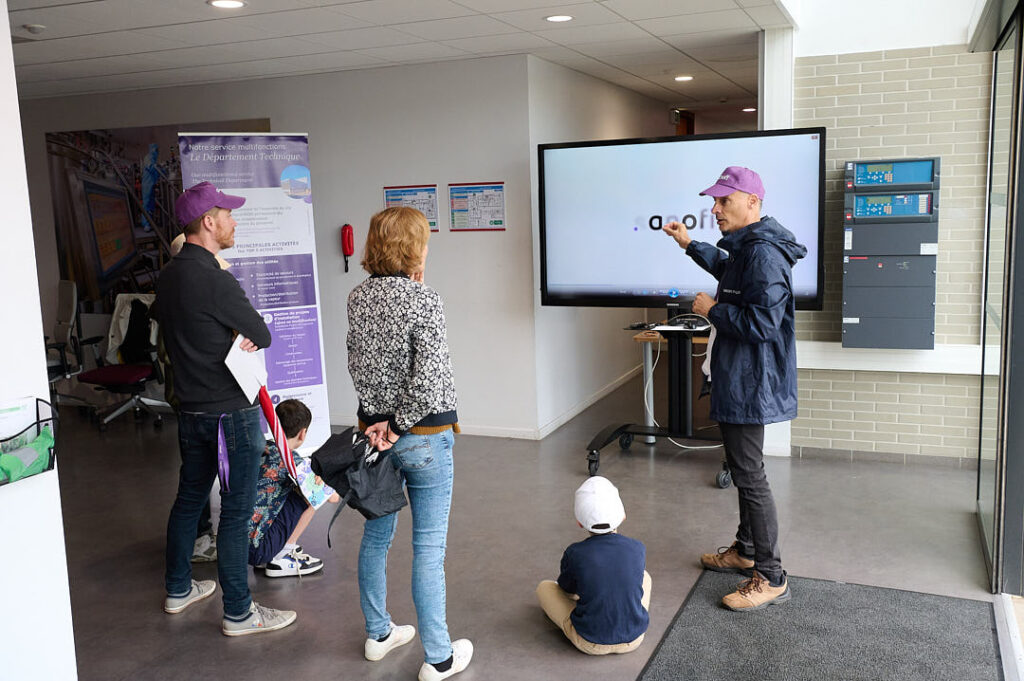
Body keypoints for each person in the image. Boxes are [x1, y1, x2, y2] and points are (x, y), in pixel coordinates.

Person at [663, 166, 806, 612]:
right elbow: (728, 268)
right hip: (740, 377)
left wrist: (714, 310)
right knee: (744, 468)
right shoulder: (749, 249)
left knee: (750, 474)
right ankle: (746, 550)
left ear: (753, 203)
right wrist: (689, 244)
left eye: (725, 201)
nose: (715, 208)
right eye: (715, 200)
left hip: (750, 381)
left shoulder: (764, 255)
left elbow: (763, 324)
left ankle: (771, 574)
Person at [156, 180, 296, 636]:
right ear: (209, 222)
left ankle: (178, 589)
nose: (235, 221)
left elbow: (181, 331)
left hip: (191, 412)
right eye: (229, 214)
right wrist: (241, 333)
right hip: (229, 417)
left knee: (189, 501)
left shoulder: (170, 275)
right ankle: (240, 612)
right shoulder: (215, 280)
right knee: (235, 513)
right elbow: (262, 331)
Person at [346, 206, 472, 681]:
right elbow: (429, 379)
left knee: (376, 539)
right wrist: (398, 425)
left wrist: (379, 426)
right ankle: (438, 657)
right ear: (414, 248)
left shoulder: (358, 297)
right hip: (421, 438)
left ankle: (378, 634)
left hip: (373, 435)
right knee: (428, 548)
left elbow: (357, 364)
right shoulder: (424, 299)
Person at [536, 476, 651, 655]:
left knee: (544, 588)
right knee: (646, 577)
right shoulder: (638, 547)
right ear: (623, 516)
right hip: (635, 638)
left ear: (579, 522)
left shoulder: (575, 553)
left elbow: (566, 590)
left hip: (590, 642)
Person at [248, 398, 339, 577]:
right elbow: (333, 498)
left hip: (237, 544)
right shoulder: (294, 463)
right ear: (302, 434)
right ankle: (283, 556)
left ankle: (275, 550)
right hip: (260, 550)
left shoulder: (262, 448)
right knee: (311, 495)